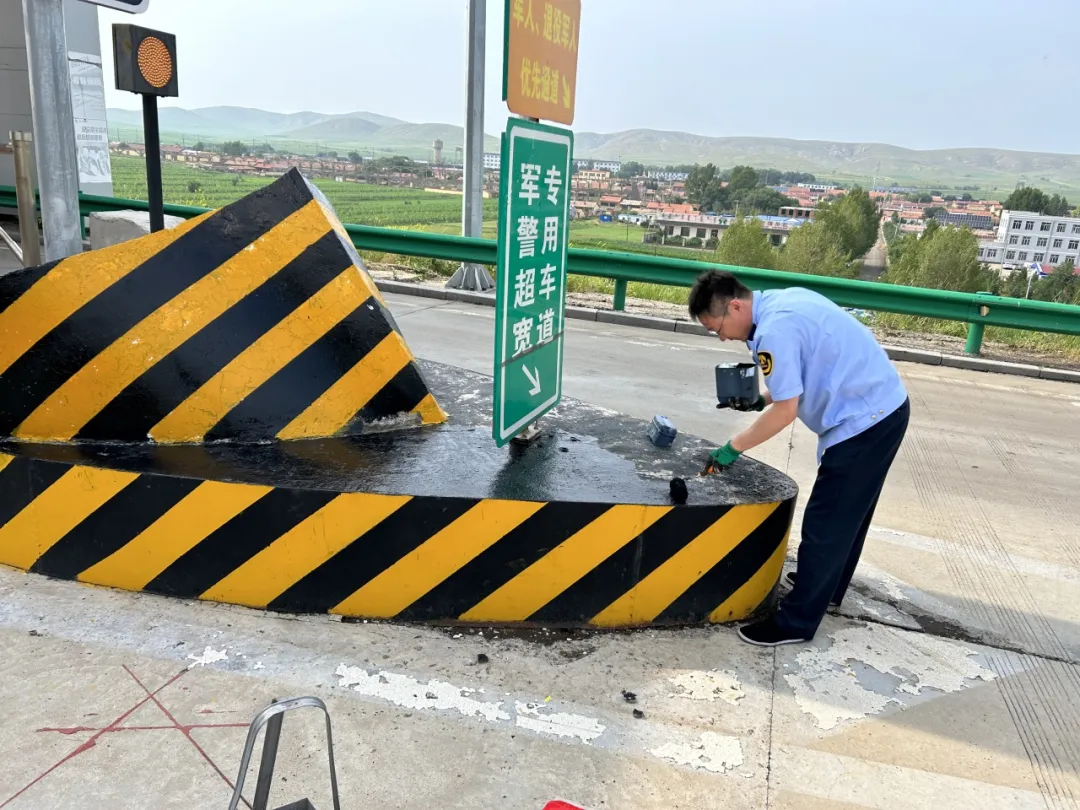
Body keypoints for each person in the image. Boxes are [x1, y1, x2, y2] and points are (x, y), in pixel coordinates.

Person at [688, 269, 910, 647]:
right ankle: (829, 586)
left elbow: (786, 411)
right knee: (849, 518)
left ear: (736, 305)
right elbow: (794, 380)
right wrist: (762, 397)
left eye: (717, 328)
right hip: (884, 406)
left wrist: (732, 448)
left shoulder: (774, 330)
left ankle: (796, 622)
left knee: (827, 524)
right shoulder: (781, 302)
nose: (722, 336)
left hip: (864, 421)